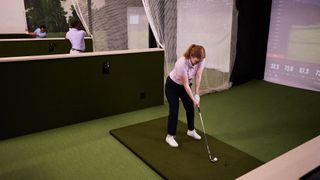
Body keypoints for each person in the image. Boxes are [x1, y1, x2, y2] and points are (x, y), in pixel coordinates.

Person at [165, 44, 206, 148]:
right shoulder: (181, 63)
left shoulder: (201, 60)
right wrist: (193, 99)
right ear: (191, 56)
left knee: (190, 108)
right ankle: (170, 136)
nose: (198, 63)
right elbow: (186, 85)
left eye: (200, 61)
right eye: (197, 61)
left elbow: (198, 76)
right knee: (174, 109)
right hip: (172, 86)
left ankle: (191, 130)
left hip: (184, 86)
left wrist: (197, 94)